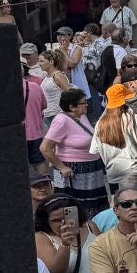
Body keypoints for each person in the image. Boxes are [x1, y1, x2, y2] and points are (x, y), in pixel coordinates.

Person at [40, 89, 105, 219]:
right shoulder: (61, 120)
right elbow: (45, 148)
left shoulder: (81, 117)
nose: (87, 104)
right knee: (78, 209)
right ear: (71, 107)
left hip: (91, 170)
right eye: (83, 102)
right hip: (75, 173)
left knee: (95, 207)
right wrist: (62, 167)